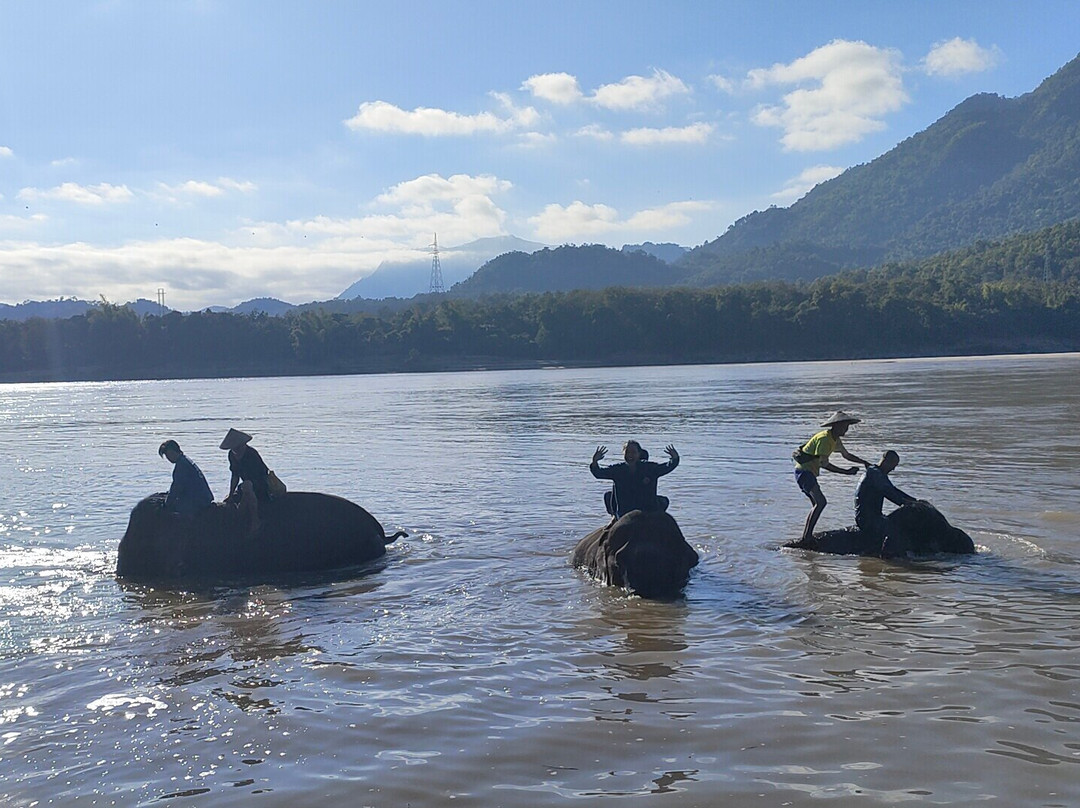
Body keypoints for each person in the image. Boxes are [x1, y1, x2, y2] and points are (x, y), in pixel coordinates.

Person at [793, 411, 870, 544]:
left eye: (847, 426)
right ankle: (807, 537)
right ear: (836, 426)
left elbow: (847, 455)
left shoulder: (835, 440)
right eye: (844, 426)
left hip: (807, 473)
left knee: (816, 505)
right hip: (804, 472)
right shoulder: (825, 439)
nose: (846, 429)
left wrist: (864, 462)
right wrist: (846, 472)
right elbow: (824, 464)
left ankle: (807, 535)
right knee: (821, 502)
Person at [591, 440, 679, 520]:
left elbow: (667, 467)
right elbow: (598, 473)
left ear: (639, 454)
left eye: (633, 452)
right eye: (627, 452)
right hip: (624, 512)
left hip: (647, 511)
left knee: (664, 501)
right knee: (608, 495)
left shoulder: (650, 468)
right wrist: (595, 461)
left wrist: (674, 458)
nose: (630, 455)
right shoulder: (617, 469)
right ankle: (614, 518)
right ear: (623, 453)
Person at [855, 450, 917, 542]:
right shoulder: (876, 475)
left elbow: (893, 490)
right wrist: (908, 504)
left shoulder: (875, 472)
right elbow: (891, 494)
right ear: (886, 461)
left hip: (871, 517)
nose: (893, 469)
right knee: (899, 532)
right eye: (893, 465)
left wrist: (914, 500)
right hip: (868, 520)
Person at [220, 428, 271, 534]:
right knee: (233, 496)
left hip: (260, 484)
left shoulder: (251, 454)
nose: (237, 450)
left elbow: (261, 475)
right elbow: (235, 475)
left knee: (247, 486)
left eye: (238, 447)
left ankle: (255, 521)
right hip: (246, 485)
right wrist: (230, 494)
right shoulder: (231, 455)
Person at [158, 439, 214, 516]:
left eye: (168, 455)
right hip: (204, 497)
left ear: (173, 452)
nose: (168, 458)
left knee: (171, 512)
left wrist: (166, 504)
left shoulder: (181, 466)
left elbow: (176, 488)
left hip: (198, 501)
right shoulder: (185, 460)